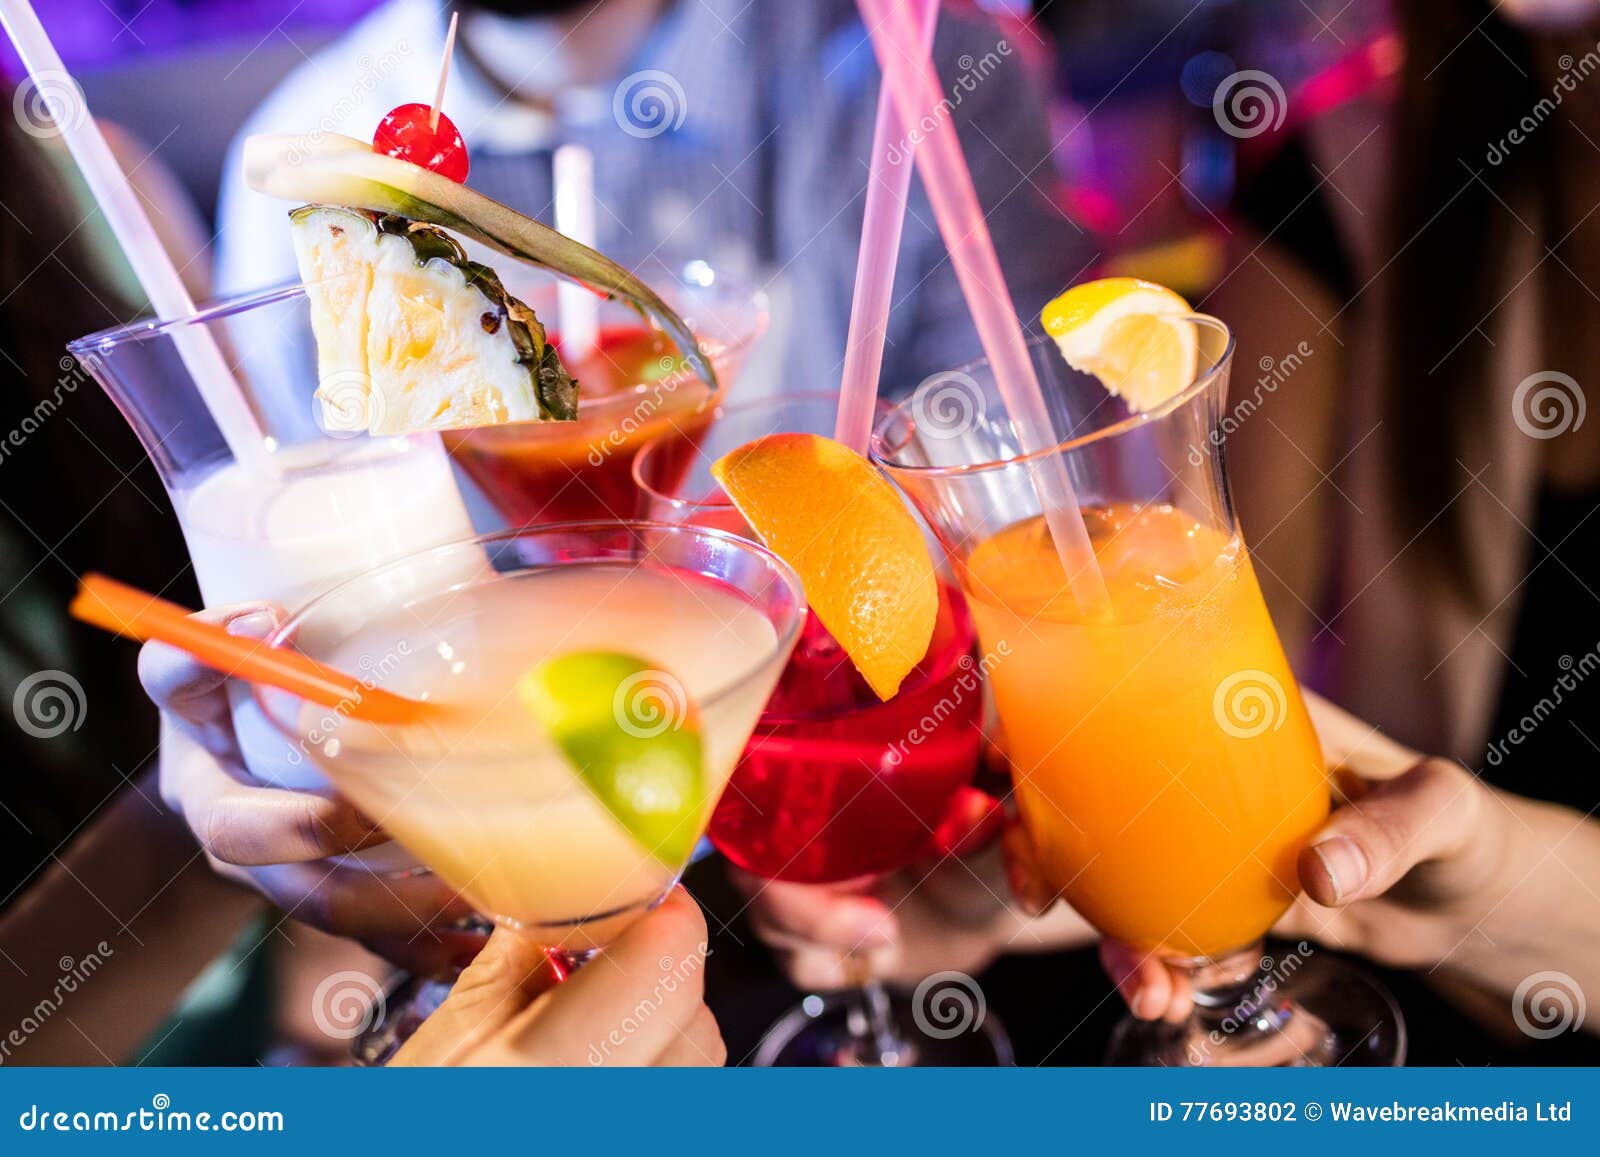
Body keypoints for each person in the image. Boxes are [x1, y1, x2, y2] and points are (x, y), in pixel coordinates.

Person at [742, 0, 1600, 1062]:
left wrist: (1503, 879)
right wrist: (1009, 884)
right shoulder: (1345, 181)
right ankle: (1222, 991)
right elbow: (1229, 692)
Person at [193, 0, 1090, 972]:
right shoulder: (314, 184)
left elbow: (1030, 539)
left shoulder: (915, 71)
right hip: (530, 885)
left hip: (878, 833)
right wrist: (279, 748)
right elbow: (350, 620)